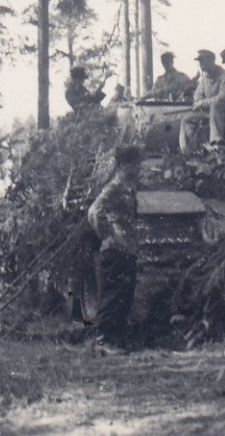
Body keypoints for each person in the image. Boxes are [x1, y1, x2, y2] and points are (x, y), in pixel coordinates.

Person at [87, 145, 141, 347]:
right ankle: (103, 341)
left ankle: (116, 340)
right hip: (115, 250)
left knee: (124, 297)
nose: (138, 168)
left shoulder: (128, 188)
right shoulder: (114, 188)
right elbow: (94, 212)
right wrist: (108, 235)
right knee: (111, 297)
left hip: (128, 250)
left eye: (138, 163)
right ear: (122, 165)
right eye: (134, 164)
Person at [179, 50, 225, 152]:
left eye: (203, 61)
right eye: (199, 61)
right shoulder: (204, 79)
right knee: (186, 119)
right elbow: (197, 94)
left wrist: (203, 103)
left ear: (212, 61)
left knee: (216, 105)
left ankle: (217, 142)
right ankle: (191, 147)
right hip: (209, 111)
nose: (201, 64)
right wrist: (199, 101)